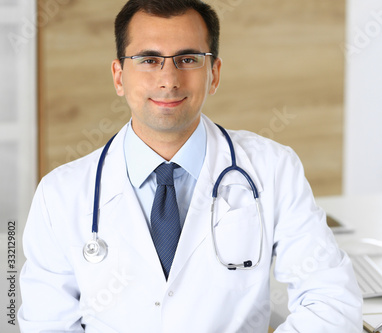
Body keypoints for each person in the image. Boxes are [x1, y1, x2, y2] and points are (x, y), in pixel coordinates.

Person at [18, 0, 362, 332]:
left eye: (187, 59)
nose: (169, 80)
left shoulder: (274, 169)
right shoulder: (59, 194)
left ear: (214, 74)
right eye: (149, 60)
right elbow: (47, 323)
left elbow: (331, 300)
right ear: (119, 76)